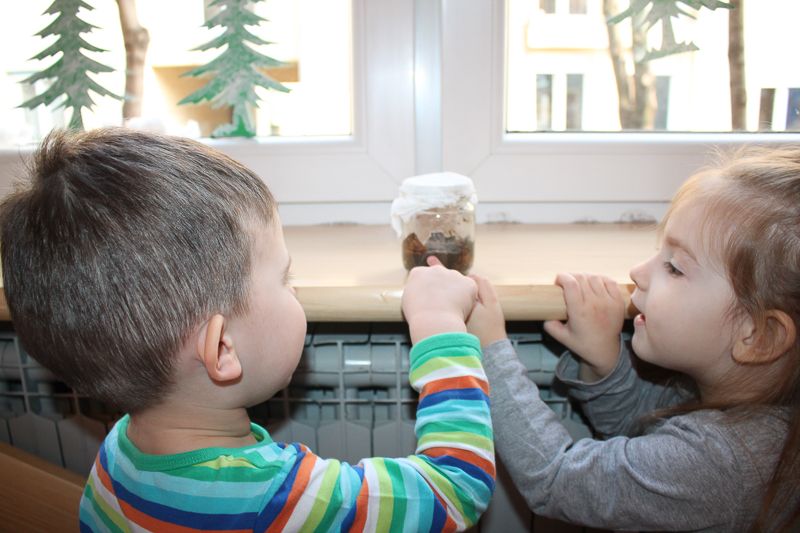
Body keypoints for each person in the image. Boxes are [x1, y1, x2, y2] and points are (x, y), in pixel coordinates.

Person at [0, 127, 495, 532]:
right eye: (284, 278)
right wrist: (439, 326)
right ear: (222, 348)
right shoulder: (276, 500)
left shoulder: (120, 454)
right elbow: (455, 489)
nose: (296, 291)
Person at [466, 146, 800, 532]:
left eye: (674, 267)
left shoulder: (728, 462)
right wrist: (605, 362)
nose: (638, 272)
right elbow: (644, 430)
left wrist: (488, 349)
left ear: (760, 335)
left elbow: (556, 478)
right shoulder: (748, 405)